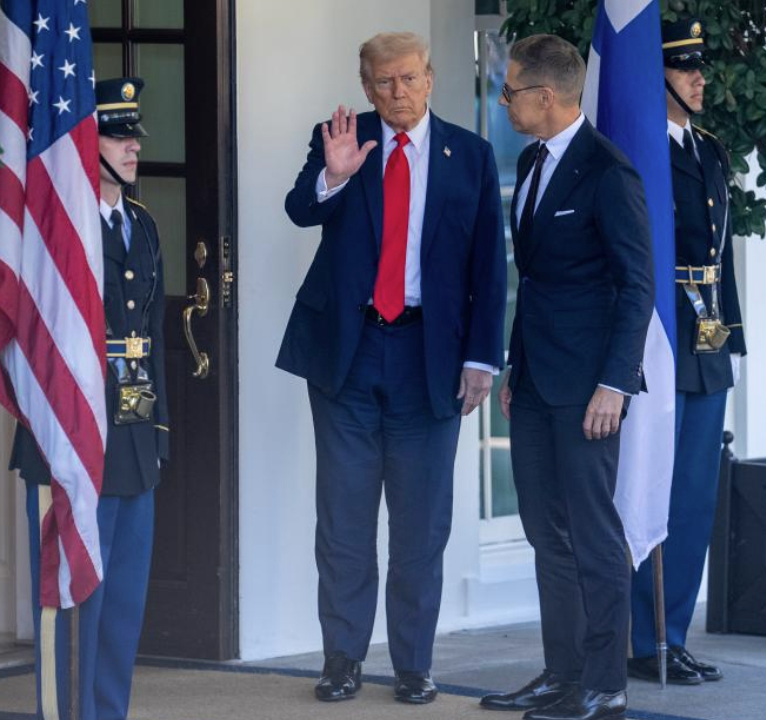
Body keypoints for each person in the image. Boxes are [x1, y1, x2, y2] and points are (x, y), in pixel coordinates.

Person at [279, 31, 506, 706]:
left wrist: (481, 359)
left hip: (428, 358)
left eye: (407, 78)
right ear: (367, 85)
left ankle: (413, 664)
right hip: (348, 354)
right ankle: (343, 660)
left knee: (420, 526)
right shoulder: (342, 137)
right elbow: (298, 210)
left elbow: (489, 270)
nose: (396, 92)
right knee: (344, 522)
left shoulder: (470, 155)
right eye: (382, 82)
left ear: (431, 79)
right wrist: (334, 175)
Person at [479, 34, 653, 720]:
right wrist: (517, 366)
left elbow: (636, 286)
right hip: (538, 380)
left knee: (591, 532)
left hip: (589, 392)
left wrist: (615, 382)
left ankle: (605, 680)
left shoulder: (608, 172)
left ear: (544, 96)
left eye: (511, 89)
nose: (504, 101)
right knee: (544, 530)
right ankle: (563, 672)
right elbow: (540, 283)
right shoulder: (530, 161)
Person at [9, 77, 169, 720]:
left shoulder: (142, 224)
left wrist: (158, 429)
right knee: (71, 600)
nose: (133, 148)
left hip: (130, 433)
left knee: (123, 600)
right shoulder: (55, 229)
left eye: (134, 136)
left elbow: (152, 335)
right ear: (85, 142)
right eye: (118, 134)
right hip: (70, 432)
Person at [627, 19, 747, 686]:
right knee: (651, 490)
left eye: (701, 66)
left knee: (694, 498)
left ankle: (672, 635)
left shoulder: (709, 151)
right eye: (685, 67)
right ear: (657, 77)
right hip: (654, 340)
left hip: (701, 345)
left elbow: (718, 259)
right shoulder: (638, 153)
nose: (701, 78)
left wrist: (724, 342)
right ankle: (641, 638)